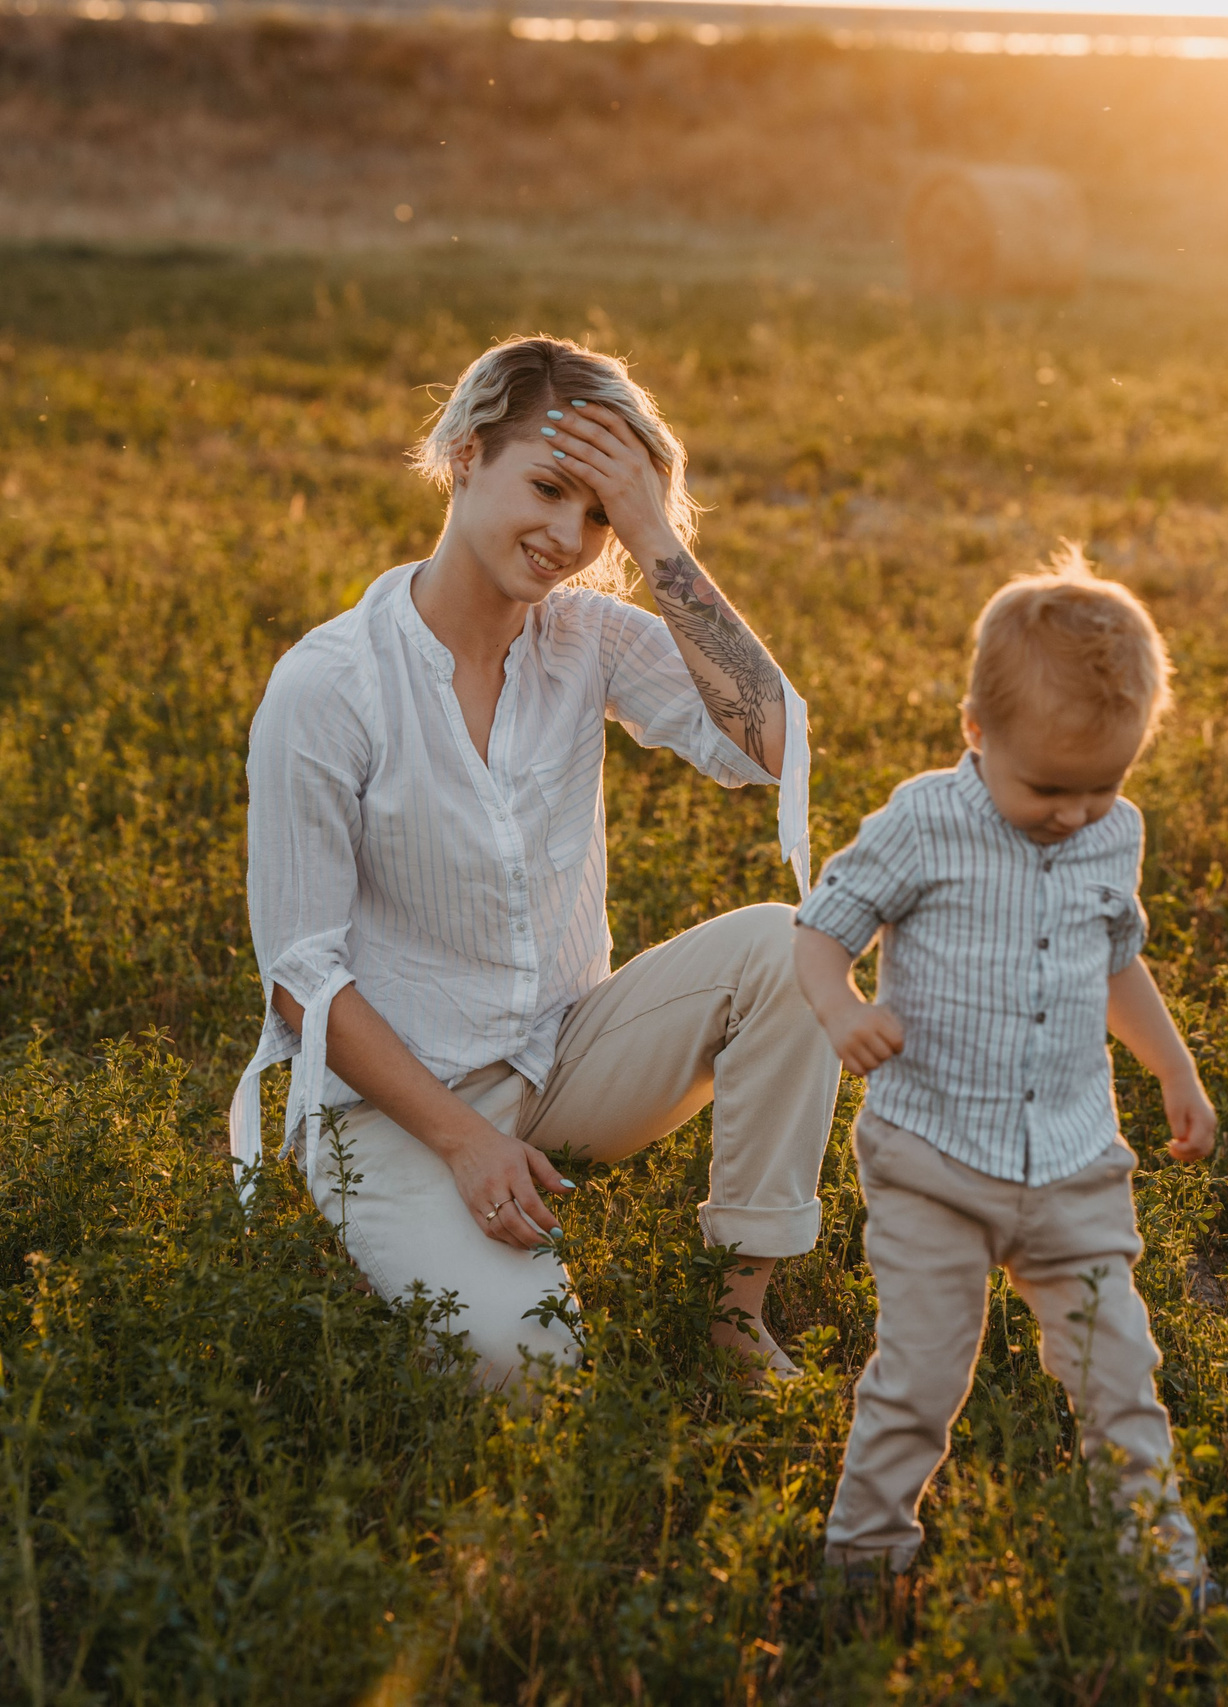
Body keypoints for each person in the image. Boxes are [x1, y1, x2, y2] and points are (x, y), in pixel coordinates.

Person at [230, 335, 841, 1387]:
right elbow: (299, 978)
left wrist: (653, 535)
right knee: (536, 1373)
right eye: (549, 487)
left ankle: (733, 1323)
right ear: (466, 455)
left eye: (595, 514)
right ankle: (400, 1218)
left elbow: (775, 744)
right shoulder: (330, 683)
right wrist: (465, 1141)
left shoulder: (587, 639)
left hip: (559, 1058)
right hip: (393, 1106)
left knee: (788, 951)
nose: (569, 536)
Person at [791, 545, 1221, 1599]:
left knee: (1120, 1377)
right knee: (921, 1380)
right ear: (974, 733)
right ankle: (863, 1564)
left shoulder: (1110, 832)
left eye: (1101, 785)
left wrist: (1172, 1066)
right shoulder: (922, 822)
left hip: (1073, 1162)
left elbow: (1115, 959)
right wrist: (843, 1010)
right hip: (934, 1156)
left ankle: (1159, 1578)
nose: (1075, 812)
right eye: (1047, 788)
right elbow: (819, 931)